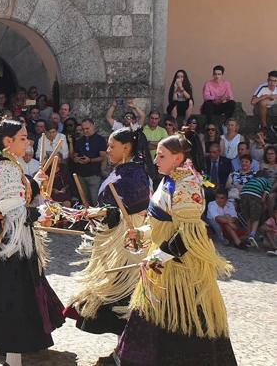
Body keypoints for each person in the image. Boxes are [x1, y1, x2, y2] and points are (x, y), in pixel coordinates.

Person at [116, 133, 237, 366]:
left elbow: (188, 235)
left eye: (161, 156)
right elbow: (162, 222)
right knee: (153, 317)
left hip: (182, 270)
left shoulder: (188, 184)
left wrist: (158, 256)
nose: (156, 160)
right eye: (156, 155)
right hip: (162, 266)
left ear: (178, 157)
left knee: (186, 319)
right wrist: (140, 234)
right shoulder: (169, 178)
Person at [0, 117, 64, 366]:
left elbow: (15, 194)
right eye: (22, 138)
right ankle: (8, 359)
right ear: (8, 142)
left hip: (5, 243)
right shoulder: (5, 168)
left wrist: (34, 183)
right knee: (12, 302)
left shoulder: (9, 165)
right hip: (6, 243)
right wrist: (42, 213)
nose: (28, 141)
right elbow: (15, 210)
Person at [65, 128, 152, 361]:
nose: (108, 150)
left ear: (127, 148)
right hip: (113, 245)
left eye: (112, 146)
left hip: (126, 248)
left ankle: (125, 353)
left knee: (123, 299)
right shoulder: (123, 171)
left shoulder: (135, 175)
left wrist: (104, 213)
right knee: (114, 298)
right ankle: (121, 352)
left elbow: (131, 212)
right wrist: (98, 214)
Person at [73, 119, 108, 205]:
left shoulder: (100, 140)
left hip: (94, 175)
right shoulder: (79, 140)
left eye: (87, 128)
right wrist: (76, 159)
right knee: (84, 201)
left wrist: (90, 160)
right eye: (83, 129)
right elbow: (74, 155)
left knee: (95, 200)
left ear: (93, 126)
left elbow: (103, 157)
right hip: (80, 175)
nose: (85, 131)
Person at [239, 170, 272, 249]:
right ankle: (252, 235)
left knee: (249, 217)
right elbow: (265, 193)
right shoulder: (267, 182)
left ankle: (248, 234)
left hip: (243, 194)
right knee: (256, 217)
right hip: (255, 195)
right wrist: (263, 202)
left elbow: (244, 188)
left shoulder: (252, 180)